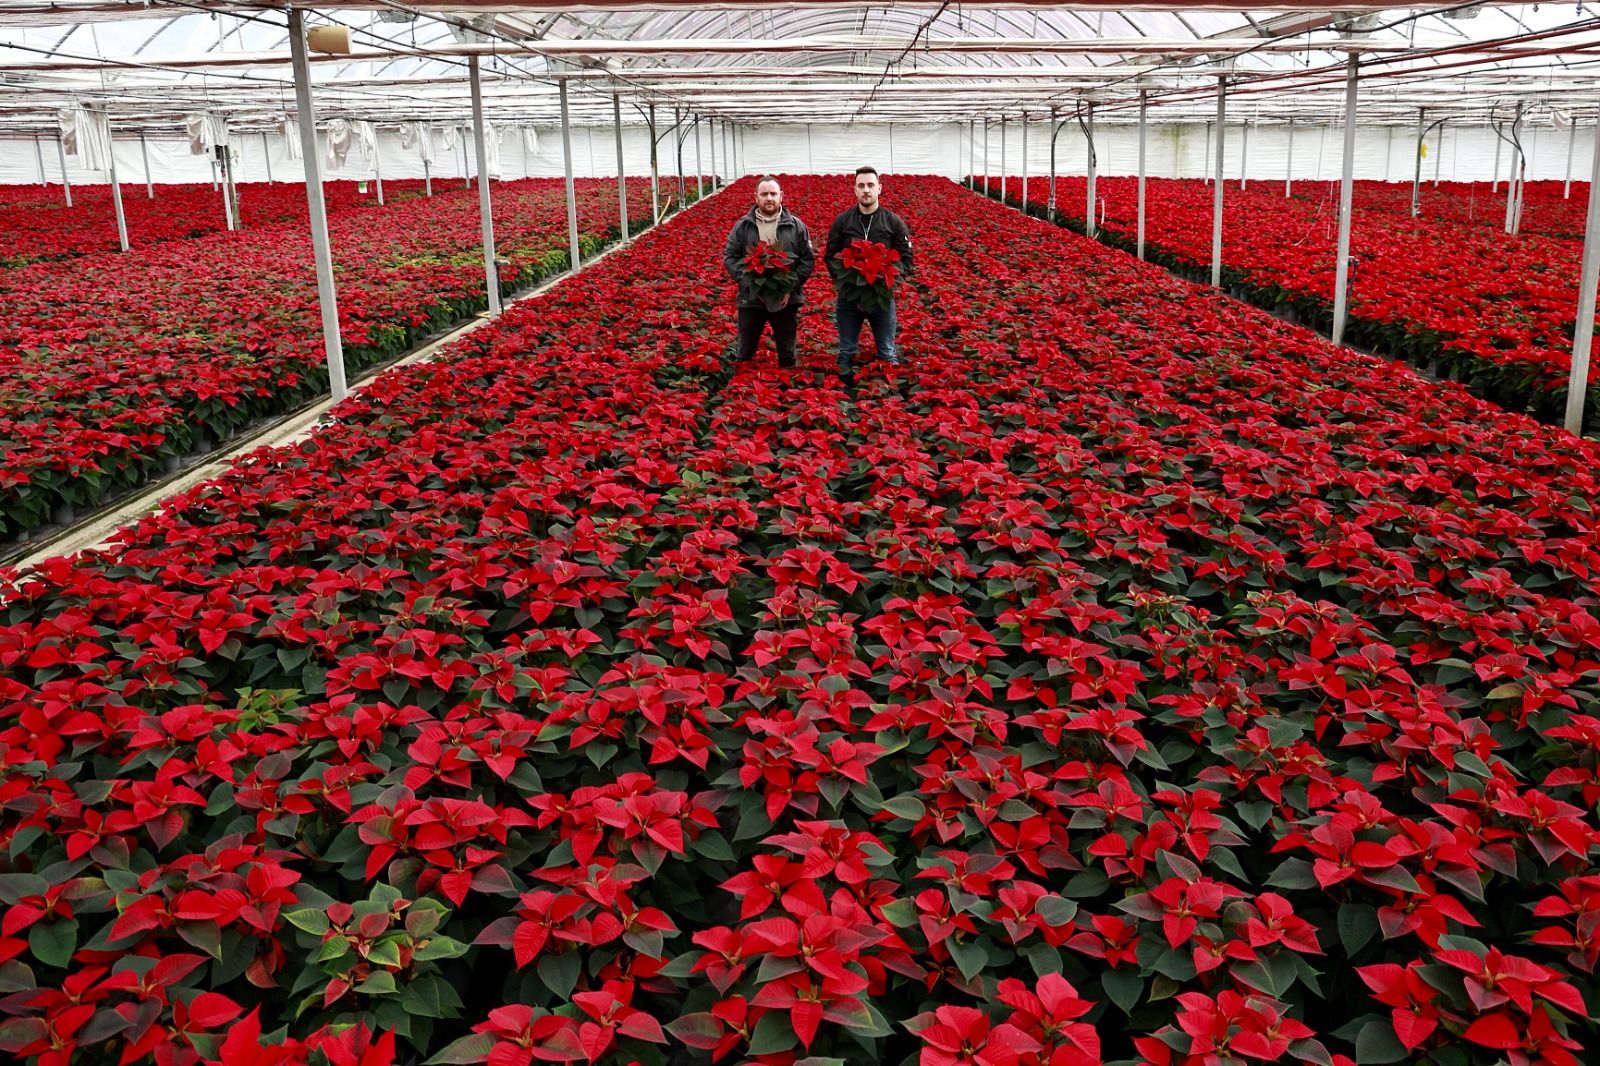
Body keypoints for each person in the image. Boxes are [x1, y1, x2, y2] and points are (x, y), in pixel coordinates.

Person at [824, 166, 914, 378]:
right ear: (854, 190)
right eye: (861, 185)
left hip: (882, 299)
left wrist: (889, 281)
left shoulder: (893, 222)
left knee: (887, 351)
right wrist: (847, 281)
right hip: (849, 299)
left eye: (870, 185)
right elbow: (831, 256)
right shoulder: (843, 221)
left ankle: (889, 396)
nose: (866, 190)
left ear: (879, 188)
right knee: (846, 352)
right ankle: (843, 398)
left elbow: (906, 259)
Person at [721, 176, 815, 368]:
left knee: (787, 354)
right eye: (764, 194)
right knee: (745, 352)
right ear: (756, 197)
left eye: (773, 194)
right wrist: (749, 283)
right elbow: (730, 256)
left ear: (781, 196)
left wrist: (790, 287)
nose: (769, 198)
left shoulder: (796, 226)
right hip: (751, 300)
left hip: (786, 300)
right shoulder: (743, 226)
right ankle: (739, 391)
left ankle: (787, 393)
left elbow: (807, 259)